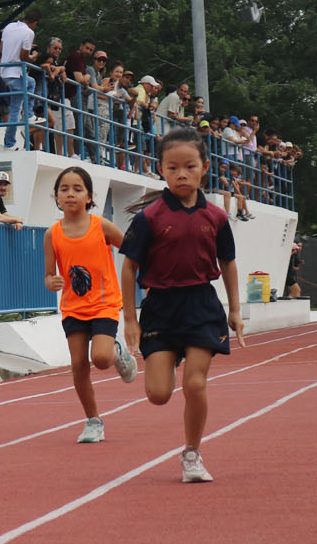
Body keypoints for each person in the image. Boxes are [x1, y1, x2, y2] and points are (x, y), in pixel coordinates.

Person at [120, 127, 245, 483]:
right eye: (173, 168)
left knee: (194, 384)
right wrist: (130, 320)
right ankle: (161, 354)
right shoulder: (149, 219)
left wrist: (235, 309)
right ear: (161, 169)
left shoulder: (217, 217)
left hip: (202, 305)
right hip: (160, 307)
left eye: (189, 166)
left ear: (204, 167)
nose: (182, 174)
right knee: (158, 395)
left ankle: (192, 454)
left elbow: (228, 263)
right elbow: (129, 268)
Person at [43, 166, 137, 443]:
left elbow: (131, 250)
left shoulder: (101, 226)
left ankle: (117, 352)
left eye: (77, 189)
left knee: (101, 358)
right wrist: (51, 282)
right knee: (78, 365)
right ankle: (93, 420)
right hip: (73, 308)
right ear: (57, 197)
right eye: (64, 189)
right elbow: (49, 274)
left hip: (104, 305)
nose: (70, 194)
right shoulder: (52, 234)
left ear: (89, 197)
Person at [0, 8, 41, 150]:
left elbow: (1, 49)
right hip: (16, 72)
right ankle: (9, 142)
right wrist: (33, 57)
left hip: (5, 70)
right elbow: (24, 57)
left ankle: (28, 114)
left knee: (31, 82)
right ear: (34, 23)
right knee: (15, 109)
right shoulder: (29, 32)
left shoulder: (9, 26)